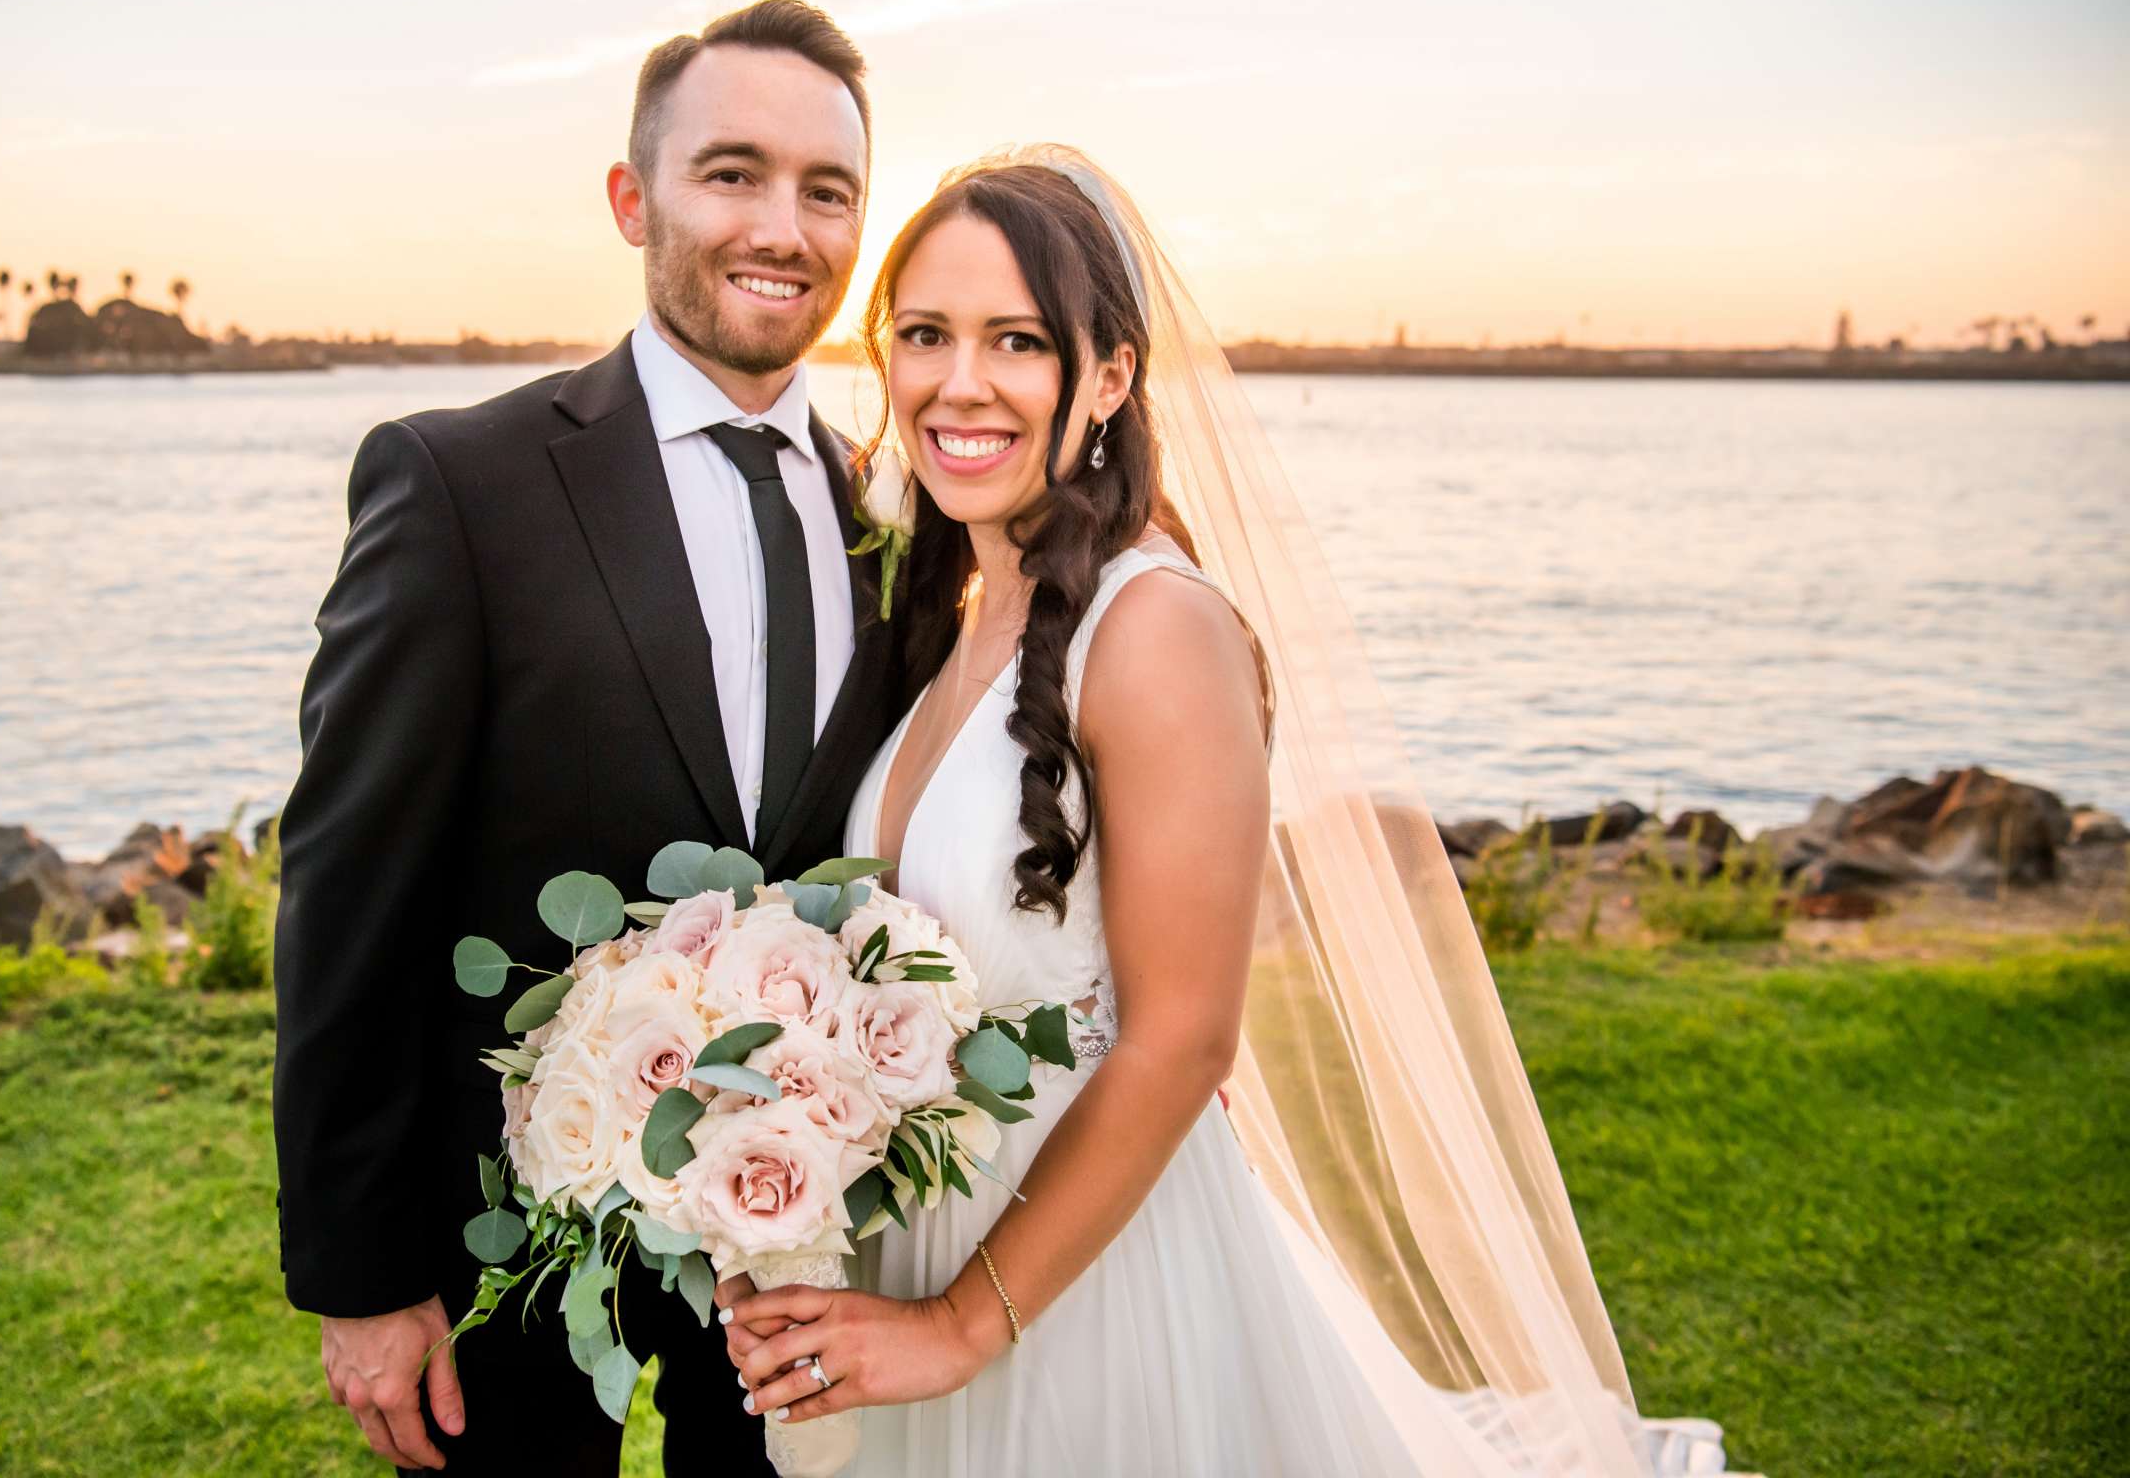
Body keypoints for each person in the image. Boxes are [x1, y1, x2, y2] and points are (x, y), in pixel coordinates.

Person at [715, 149, 1741, 1477]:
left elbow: (1187, 1037)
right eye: (925, 334)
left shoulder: (1156, 627)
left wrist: (964, 1327)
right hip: (907, 1259)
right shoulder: (964, 623)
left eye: (1017, 340)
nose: (958, 382)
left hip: (1086, 1298)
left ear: (1113, 377)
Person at [271, 0, 901, 1475]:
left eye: (829, 191)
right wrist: (363, 1275)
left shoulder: (893, 509)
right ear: (634, 199)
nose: (784, 227)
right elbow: (349, 888)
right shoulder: (459, 484)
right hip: (510, 1238)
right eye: (731, 172)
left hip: (799, 1249)